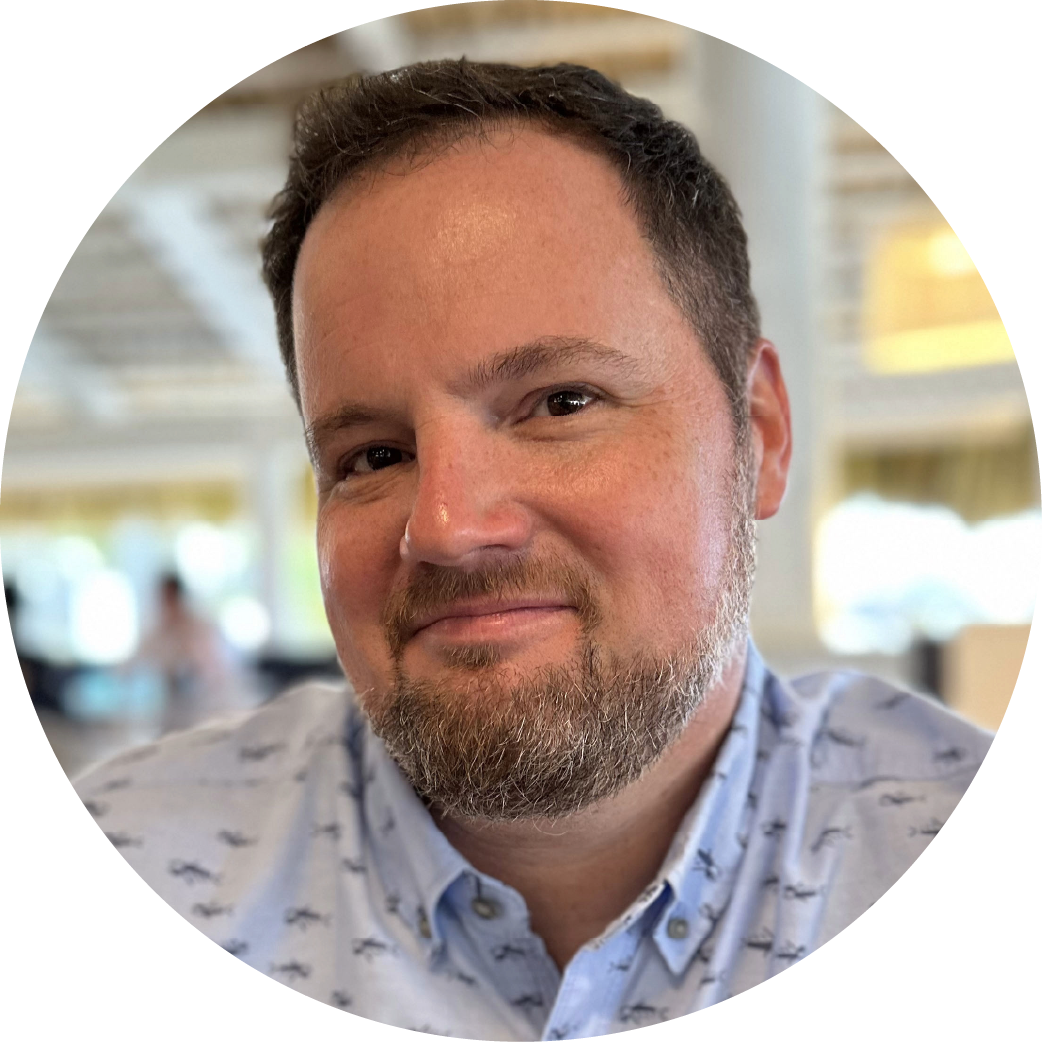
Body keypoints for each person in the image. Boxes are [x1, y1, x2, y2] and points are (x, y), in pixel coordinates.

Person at [70, 60, 1038, 1040]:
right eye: (372, 455)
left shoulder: (993, 879)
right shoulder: (106, 872)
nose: (446, 526)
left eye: (562, 403)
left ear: (760, 435)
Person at [129, 571, 245, 733]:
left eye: (169, 599)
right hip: (170, 716)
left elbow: (217, 673)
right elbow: (130, 666)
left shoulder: (201, 629)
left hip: (205, 713)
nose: (166, 605)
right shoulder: (159, 632)